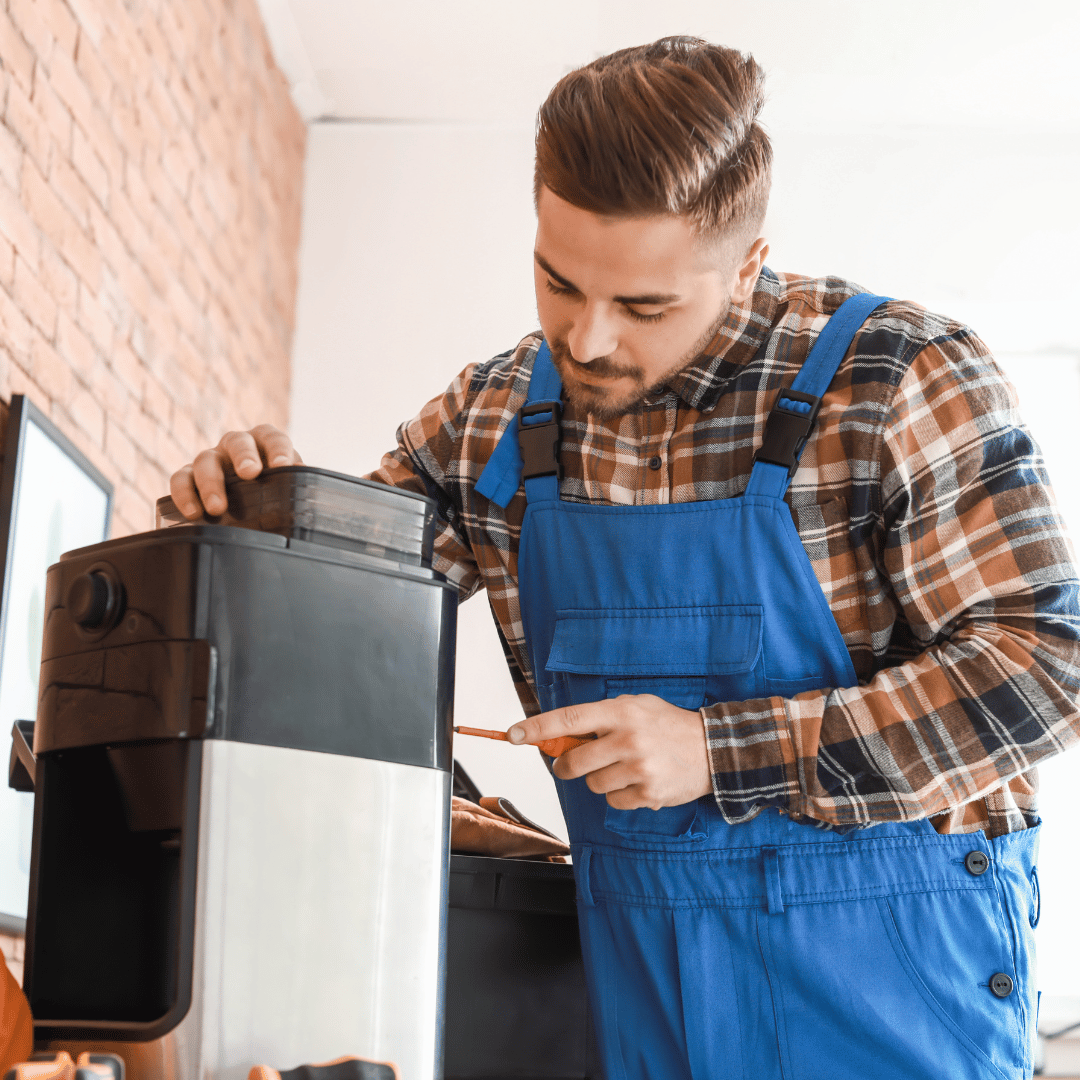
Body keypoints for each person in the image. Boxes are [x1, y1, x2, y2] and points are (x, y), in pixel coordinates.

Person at [171, 37, 1080, 1080]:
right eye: (559, 283)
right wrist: (239, 518)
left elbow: (1050, 668)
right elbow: (326, 606)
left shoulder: (895, 377)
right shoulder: (496, 418)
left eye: (645, 307)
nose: (589, 338)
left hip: (892, 1000)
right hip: (644, 1000)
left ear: (746, 264)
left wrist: (718, 751)